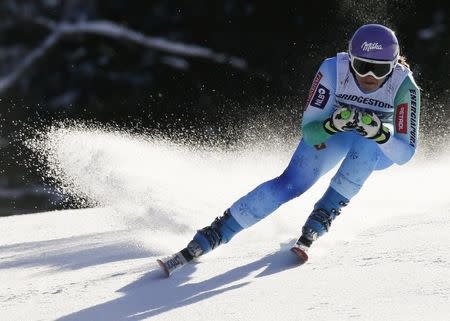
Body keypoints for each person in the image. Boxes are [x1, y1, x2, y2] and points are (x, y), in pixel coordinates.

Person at [157, 24, 421, 276]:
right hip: (333, 134)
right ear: (349, 59)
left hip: (377, 148)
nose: (369, 77)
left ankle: (323, 216)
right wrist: (330, 124)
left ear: (395, 65)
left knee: (367, 145)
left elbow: (403, 154)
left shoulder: (403, 85)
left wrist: (380, 134)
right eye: (362, 66)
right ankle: (216, 232)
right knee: (291, 183)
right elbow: (310, 130)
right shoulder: (333, 70)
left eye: (380, 70)